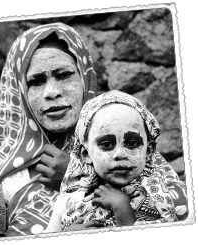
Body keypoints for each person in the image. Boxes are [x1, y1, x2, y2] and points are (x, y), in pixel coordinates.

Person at [0, 22, 97, 238]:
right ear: (20, 91)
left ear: (85, 78)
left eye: (64, 75)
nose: (52, 92)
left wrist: (77, 177)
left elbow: (164, 209)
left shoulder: (120, 145)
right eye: (36, 81)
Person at [45, 90, 188, 232]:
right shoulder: (69, 202)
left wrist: (122, 210)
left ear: (149, 151)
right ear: (86, 154)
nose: (120, 154)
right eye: (107, 144)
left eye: (132, 143)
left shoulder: (169, 198)